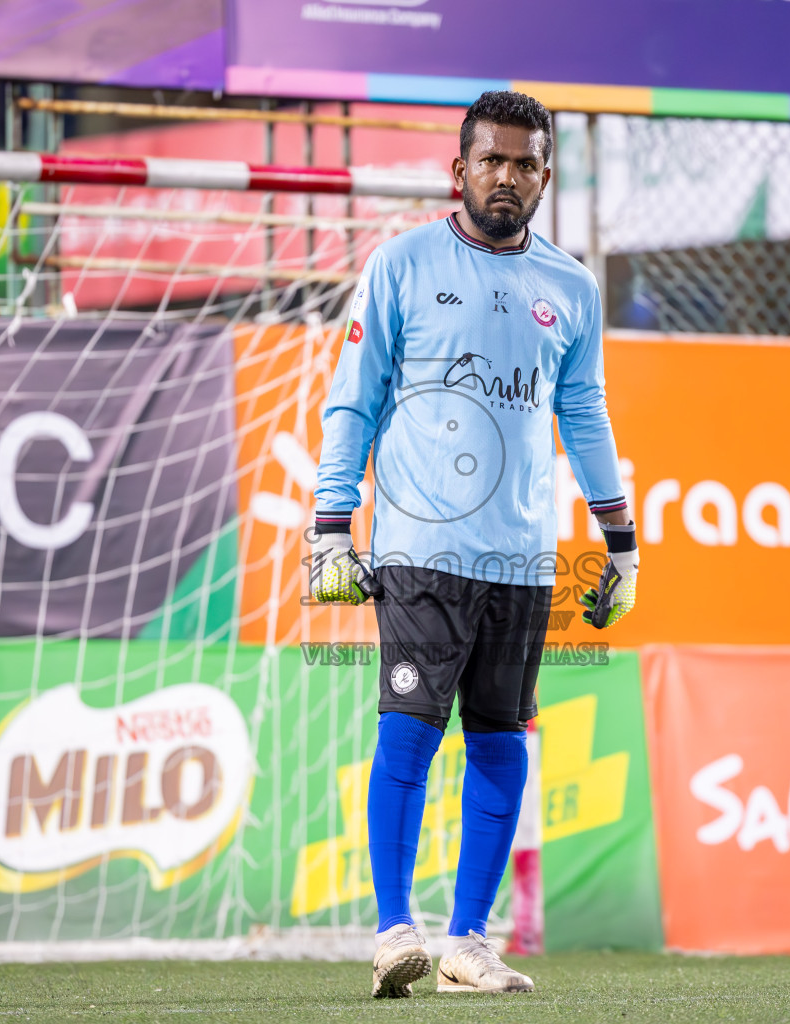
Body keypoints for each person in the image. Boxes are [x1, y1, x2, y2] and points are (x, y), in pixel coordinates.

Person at [309, 90, 638, 999]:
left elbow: (585, 411)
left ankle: (466, 943)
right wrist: (331, 524)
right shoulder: (403, 265)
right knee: (408, 730)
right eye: (491, 160)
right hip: (418, 549)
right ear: (458, 171)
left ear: (544, 176)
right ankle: (391, 932)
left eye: (525, 163)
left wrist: (622, 542)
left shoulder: (570, 287)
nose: (507, 176)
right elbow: (353, 400)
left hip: (523, 558)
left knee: (501, 741)